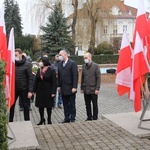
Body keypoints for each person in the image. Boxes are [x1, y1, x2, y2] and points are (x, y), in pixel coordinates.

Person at [9, 48, 33, 122]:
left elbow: (30, 78)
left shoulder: (27, 64)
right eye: (14, 55)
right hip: (14, 88)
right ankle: (10, 121)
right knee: (11, 105)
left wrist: (30, 91)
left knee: (26, 106)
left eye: (16, 55)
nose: (15, 56)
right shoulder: (12, 64)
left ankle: (27, 121)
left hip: (24, 89)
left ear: (20, 54)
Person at [34, 57, 56, 125]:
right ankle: (42, 119)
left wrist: (53, 92)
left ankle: (49, 119)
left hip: (48, 91)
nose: (40, 63)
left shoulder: (51, 70)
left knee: (48, 106)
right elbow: (36, 81)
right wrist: (34, 90)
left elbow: (54, 82)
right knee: (41, 106)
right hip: (40, 91)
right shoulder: (39, 70)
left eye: (41, 61)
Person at [58, 50, 78, 123]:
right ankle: (66, 118)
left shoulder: (72, 63)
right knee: (65, 104)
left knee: (72, 104)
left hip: (70, 88)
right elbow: (59, 76)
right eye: (59, 55)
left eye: (60, 55)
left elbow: (75, 76)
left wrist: (74, 87)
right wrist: (59, 86)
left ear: (65, 55)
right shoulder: (59, 64)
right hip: (63, 88)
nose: (59, 56)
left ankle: (72, 118)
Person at [80, 52, 101, 121]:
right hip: (86, 89)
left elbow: (98, 78)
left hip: (93, 88)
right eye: (84, 58)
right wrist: (81, 88)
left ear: (90, 57)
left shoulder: (95, 66)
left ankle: (95, 117)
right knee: (87, 104)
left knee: (94, 104)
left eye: (86, 58)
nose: (85, 59)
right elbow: (82, 78)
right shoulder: (84, 66)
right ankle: (89, 117)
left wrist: (97, 88)